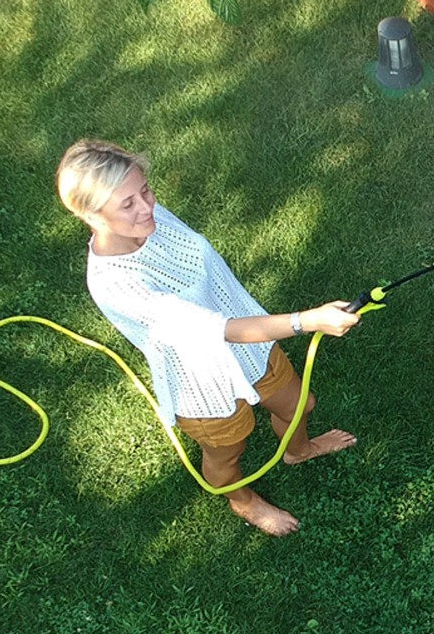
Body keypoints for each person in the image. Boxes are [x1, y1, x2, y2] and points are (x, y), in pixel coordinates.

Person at [56, 138, 360, 536]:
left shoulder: (150, 217)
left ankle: (298, 451)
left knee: (299, 405)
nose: (146, 207)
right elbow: (219, 332)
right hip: (200, 381)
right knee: (227, 452)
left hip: (250, 343)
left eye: (144, 190)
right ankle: (243, 501)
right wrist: (307, 320)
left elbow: (225, 314)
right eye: (126, 204)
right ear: (92, 216)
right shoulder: (117, 284)